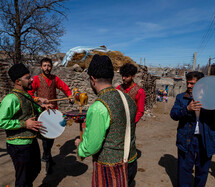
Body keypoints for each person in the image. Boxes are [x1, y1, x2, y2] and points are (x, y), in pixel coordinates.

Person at [75, 55, 138, 186]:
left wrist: (80, 146)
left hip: (111, 170)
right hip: (131, 162)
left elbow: (92, 146)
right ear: (112, 77)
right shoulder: (128, 98)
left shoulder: (98, 107)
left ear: (92, 79)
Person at [170, 71, 215, 187]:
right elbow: (173, 115)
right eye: (188, 83)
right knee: (184, 170)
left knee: (202, 171)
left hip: (207, 140)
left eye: (192, 84)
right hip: (186, 139)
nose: (188, 86)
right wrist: (187, 109)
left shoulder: (213, 98)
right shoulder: (181, 98)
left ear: (201, 84)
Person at [0, 63, 52, 187]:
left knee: (35, 169)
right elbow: (0, 122)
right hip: (18, 146)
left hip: (31, 142)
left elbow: (30, 112)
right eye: (28, 77)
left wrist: (42, 109)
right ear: (18, 81)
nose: (32, 79)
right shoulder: (11, 99)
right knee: (22, 179)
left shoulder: (27, 95)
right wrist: (24, 124)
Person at [28, 57, 73, 174]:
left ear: (51, 67)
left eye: (48, 65)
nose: (47, 68)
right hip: (42, 112)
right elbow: (30, 94)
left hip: (53, 112)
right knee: (45, 136)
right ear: (41, 67)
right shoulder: (37, 79)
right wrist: (38, 100)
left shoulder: (55, 79)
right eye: (44, 66)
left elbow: (65, 87)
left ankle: (46, 155)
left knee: (51, 136)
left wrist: (69, 95)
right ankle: (48, 159)